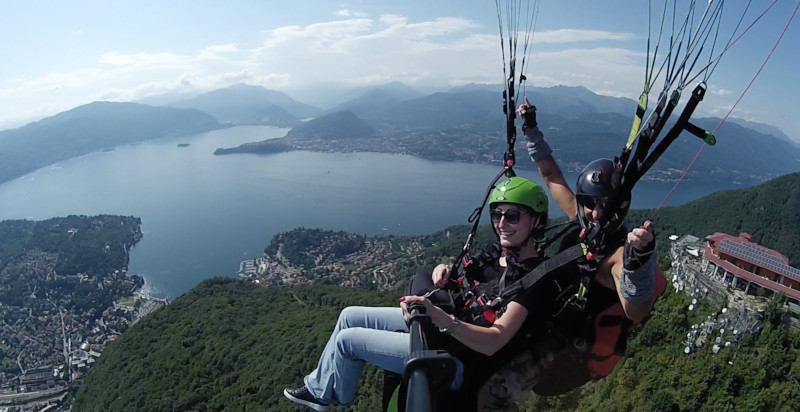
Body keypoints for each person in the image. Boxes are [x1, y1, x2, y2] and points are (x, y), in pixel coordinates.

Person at [284, 176, 571, 411]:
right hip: (440, 329)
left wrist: (443, 319)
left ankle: (332, 401)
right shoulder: (498, 255)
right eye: (497, 214)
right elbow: (465, 285)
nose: (501, 223)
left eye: (512, 216)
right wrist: (443, 270)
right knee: (348, 316)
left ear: (536, 221)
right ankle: (319, 388)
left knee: (348, 342)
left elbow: (494, 342)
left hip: (457, 358)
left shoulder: (534, 279)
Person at [470, 98, 665, 410]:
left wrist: (639, 261)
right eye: (590, 203)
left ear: (620, 207)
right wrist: (531, 129)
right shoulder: (582, 219)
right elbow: (551, 175)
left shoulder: (616, 255)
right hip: (540, 318)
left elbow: (636, 311)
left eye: (604, 206)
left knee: (490, 396)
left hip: (559, 345)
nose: (596, 213)